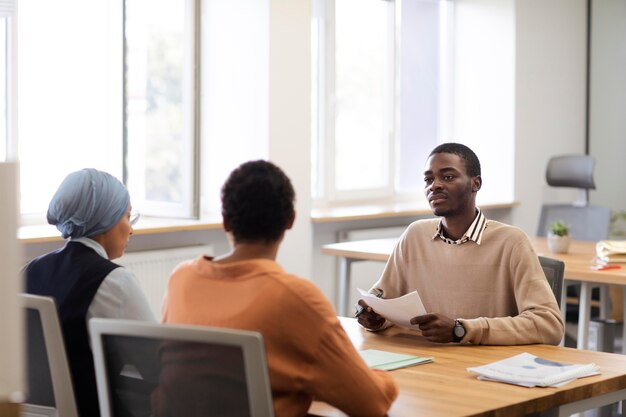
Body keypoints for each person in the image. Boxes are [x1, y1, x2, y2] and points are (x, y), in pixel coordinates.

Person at [160, 160, 397, 417]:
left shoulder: (181, 280)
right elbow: (372, 403)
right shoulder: (296, 298)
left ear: (226, 222)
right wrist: (383, 380)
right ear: (290, 220)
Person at [357, 143, 564, 345]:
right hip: (426, 362)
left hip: (486, 368)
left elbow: (549, 325)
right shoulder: (415, 236)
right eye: (428, 179)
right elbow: (381, 298)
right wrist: (375, 318)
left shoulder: (511, 242)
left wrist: (462, 330)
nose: (434, 185)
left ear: (476, 183)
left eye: (447, 177)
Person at [25, 168, 156, 417]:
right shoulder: (115, 282)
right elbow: (156, 367)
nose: (131, 230)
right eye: (127, 217)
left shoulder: (28, 270)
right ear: (106, 219)